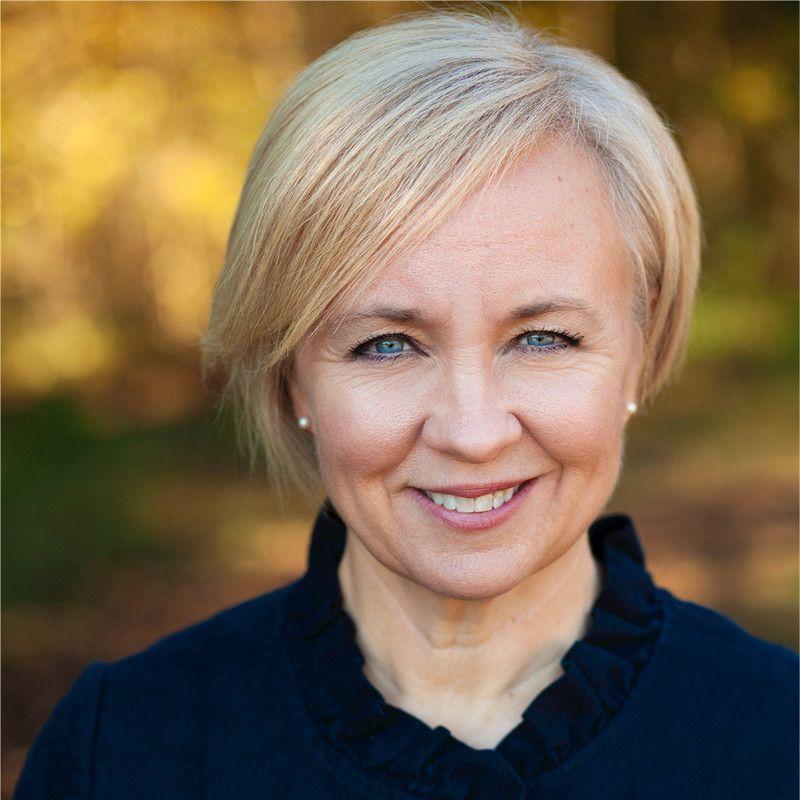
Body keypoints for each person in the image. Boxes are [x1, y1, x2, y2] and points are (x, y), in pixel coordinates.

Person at [14, 9, 798, 800]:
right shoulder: (119, 753)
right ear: (293, 377)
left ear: (640, 345)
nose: (472, 432)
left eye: (543, 338)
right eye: (387, 345)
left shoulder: (781, 741)